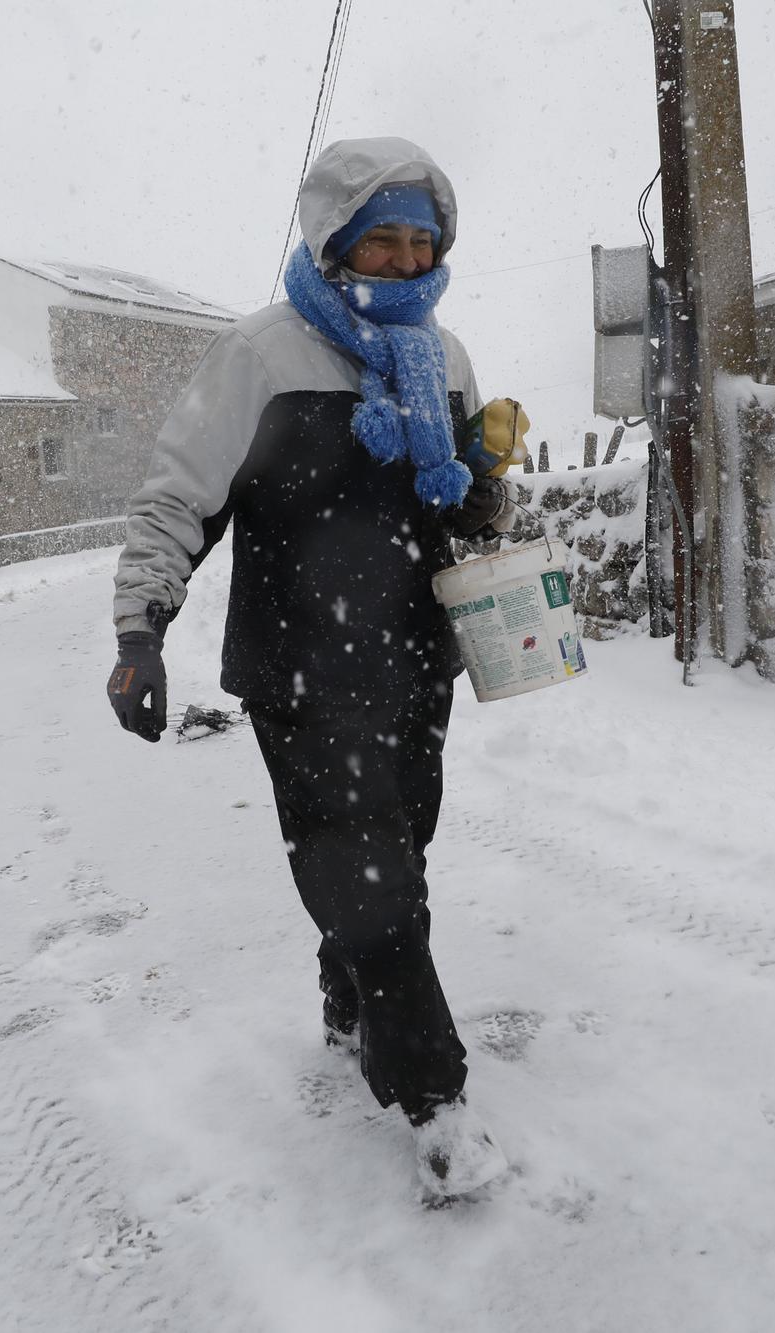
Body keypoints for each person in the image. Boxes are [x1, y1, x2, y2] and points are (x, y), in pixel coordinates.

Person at [106, 137, 527, 1199]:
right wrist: (139, 632)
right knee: (370, 878)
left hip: (414, 658)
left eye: (418, 239)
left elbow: (462, 510)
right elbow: (177, 496)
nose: (399, 256)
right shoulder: (261, 354)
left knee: (403, 853)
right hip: (299, 670)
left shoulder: (446, 357)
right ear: (335, 237)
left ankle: (348, 1001)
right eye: (379, 236)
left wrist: (482, 484)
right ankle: (433, 1100)